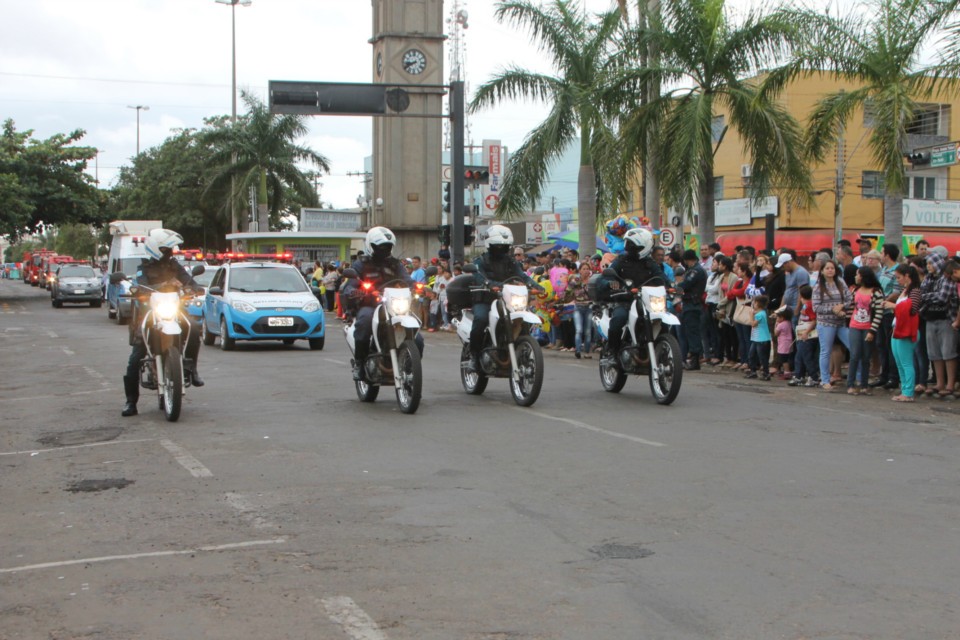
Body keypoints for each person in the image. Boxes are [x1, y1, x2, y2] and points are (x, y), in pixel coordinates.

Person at [121, 228, 204, 417]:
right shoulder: (144, 268)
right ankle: (130, 402)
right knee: (136, 358)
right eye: (167, 249)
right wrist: (146, 289)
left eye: (170, 249)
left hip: (173, 311)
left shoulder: (175, 266)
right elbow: (140, 284)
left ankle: (192, 369)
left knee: (194, 327)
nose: (170, 253)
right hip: (150, 313)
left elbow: (188, 280)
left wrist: (195, 287)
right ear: (156, 249)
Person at [343, 227, 422, 382]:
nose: (384, 250)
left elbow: (406, 278)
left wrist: (418, 287)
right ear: (370, 246)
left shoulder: (395, 264)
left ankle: (411, 367)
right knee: (364, 322)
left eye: (387, 246)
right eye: (380, 247)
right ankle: (359, 363)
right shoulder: (362, 264)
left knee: (418, 338)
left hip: (393, 305)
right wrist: (355, 291)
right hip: (371, 304)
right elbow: (350, 284)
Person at [465, 225, 542, 371]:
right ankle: (474, 357)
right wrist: (489, 284)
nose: (501, 248)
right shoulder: (479, 261)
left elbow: (521, 275)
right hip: (486, 299)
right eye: (498, 245)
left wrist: (535, 285)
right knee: (481, 319)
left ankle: (523, 349)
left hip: (506, 298)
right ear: (490, 245)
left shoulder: (511, 261)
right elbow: (478, 276)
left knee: (523, 319)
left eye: (504, 246)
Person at [596, 228, 665, 364]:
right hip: (625, 301)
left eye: (633, 245)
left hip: (647, 302)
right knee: (618, 320)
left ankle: (665, 351)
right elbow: (604, 278)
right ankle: (613, 353)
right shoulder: (621, 260)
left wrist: (672, 287)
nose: (629, 248)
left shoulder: (650, 263)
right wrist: (610, 283)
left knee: (663, 320)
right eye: (628, 244)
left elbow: (661, 278)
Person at [918, 252, 959, 398]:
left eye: (930, 263)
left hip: (947, 318)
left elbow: (942, 297)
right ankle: (939, 383)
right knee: (934, 353)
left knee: (948, 352)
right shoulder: (928, 279)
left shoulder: (946, 278)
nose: (928, 266)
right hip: (930, 317)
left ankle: (950, 384)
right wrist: (927, 297)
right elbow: (920, 295)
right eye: (927, 264)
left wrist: (926, 297)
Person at [813, 259, 853, 392]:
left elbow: (849, 298)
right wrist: (832, 309)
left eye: (832, 268)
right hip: (825, 323)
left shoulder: (840, 282)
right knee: (826, 351)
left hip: (841, 322)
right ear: (822, 271)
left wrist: (842, 306)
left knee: (853, 347)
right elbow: (816, 307)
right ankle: (825, 380)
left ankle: (857, 378)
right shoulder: (819, 286)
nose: (830, 270)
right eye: (827, 268)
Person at [886, 264, 922, 402]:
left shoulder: (915, 291)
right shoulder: (906, 290)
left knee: (906, 362)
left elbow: (912, 310)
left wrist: (893, 306)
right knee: (900, 362)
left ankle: (908, 391)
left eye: (899, 277)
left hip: (907, 330)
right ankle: (905, 389)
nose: (898, 280)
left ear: (907, 276)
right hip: (898, 328)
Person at [846, 267, 885, 395]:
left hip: (868, 327)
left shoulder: (876, 292)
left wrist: (872, 331)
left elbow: (879, 313)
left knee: (866, 357)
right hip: (854, 326)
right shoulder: (855, 290)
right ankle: (850, 384)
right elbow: (851, 307)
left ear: (863, 276)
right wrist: (844, 316)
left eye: (858, 274)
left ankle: (864, 384)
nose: (856, 277)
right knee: (854, 355)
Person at [677, 249, 707, 370]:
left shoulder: (696, 271)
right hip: (690, 304)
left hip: (692, 304)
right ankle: (694, 357)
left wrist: (675, 286)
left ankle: (695, 359)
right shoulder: (695, 269)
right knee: (690, 332)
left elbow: (685, 284)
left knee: (692, 332)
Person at [789, 284, 820, 387]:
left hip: (806, 334)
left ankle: (813, 377)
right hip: (802, 332)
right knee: (800, 356)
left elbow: (813, 320)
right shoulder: (806, 305)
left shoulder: (808, 306)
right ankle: (799, 375)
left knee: (806, 356)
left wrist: (806, 332)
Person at [566, 262, 595, 359]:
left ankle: (586, 352)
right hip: (578, 307)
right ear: (580, 270)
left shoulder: (592, 281)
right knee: (579, 330)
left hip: (589, 308)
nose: (586, 271)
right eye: (584, 269)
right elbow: (569, 291)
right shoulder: (576, 280)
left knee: (587, 331)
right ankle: (578, 350)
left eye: (587, 269)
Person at [745, 295, 772, 380]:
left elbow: (753, 324)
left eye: (755, 302)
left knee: (762, 357)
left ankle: (766, 373)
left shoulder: (761, 314)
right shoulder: (759, 313)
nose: (753, 304)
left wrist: (751, 315)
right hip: (756, 338)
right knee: (751, 355)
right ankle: (753, 371)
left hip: (762, 339)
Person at [773, 307, 794, 379]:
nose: (777, 318)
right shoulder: (788, 322)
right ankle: (787, 371)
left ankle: (787, 372)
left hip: (783, 343)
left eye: (778, 317)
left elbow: (776, 333)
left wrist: (776, 324)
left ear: (782, 318)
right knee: (787, 358)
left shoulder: (781, 324)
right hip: (788, 342)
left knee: (784, 359)